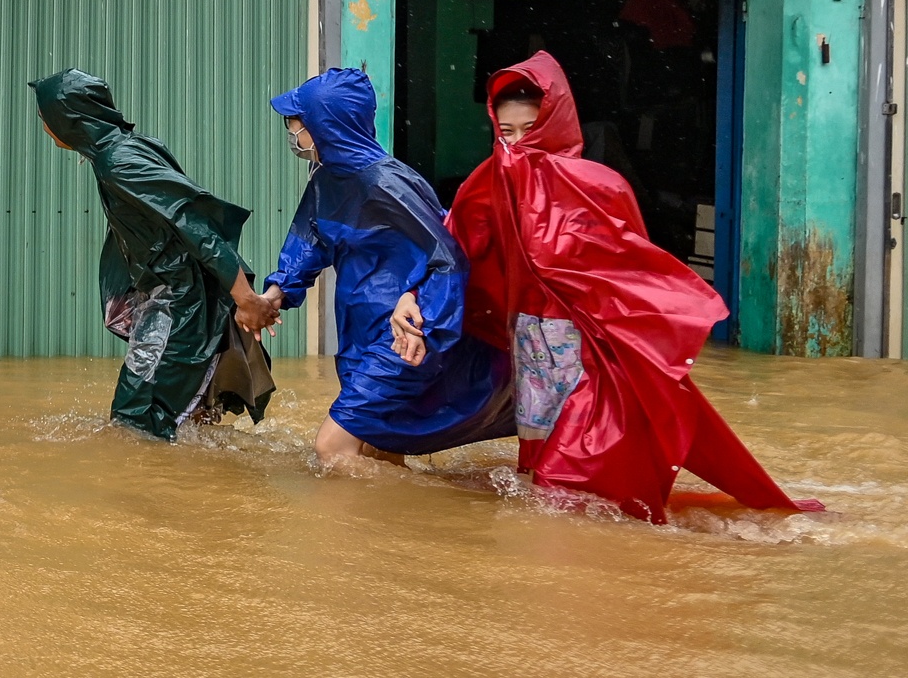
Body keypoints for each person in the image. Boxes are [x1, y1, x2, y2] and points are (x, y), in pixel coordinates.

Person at [404, 51, 820, 522]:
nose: (519, 144)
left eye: (531, 130)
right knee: (538, 451)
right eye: (507, 133)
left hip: (587, 340)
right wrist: (412, 294)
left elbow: (631, 272)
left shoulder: (600, 186)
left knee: (576, 462)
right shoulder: (490, 183)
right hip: (528, 336)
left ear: (555, 121)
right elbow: (458, 246)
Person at [264, 68, 513, 467]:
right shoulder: (326, 180)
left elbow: (450, 259)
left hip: (399, 336)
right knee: (379, 449)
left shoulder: (388, 183)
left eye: (297, 125)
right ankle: (399, 525)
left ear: (326, 125)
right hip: (358, 335)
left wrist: (427, 325)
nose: (292, 135)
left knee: (332, 447)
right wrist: (275, 293)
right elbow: (309, 241)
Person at [33, 69, 278, 441]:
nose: (44, 127)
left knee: (135, 421)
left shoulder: (122, 162)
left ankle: (151, 499)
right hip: (177, 298)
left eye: (45, 118)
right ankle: (206, 492)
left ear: (68, 121)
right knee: (189, 419)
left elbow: (193, 224)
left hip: (180, 304)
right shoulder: (123, 151)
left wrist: (245, 299)